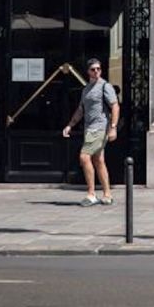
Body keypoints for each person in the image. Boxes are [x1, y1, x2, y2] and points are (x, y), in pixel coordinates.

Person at [62, 58, 119, 207]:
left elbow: (115, 106)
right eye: (93, 69)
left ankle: (91, 193)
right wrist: (70, 125)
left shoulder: (105, 86)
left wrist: (113, 127)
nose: (96, 71)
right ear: (88, 71)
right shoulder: (86, 89)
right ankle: (107, 194)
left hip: (100, 128)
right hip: (89, 129)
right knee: (99, 161)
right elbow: (81, 110)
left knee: (84, 157)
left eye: (99, 69)